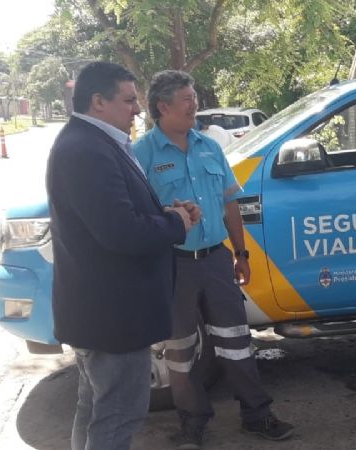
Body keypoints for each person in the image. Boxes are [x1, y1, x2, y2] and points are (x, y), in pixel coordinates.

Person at [134, 70, 294, 449]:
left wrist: (240, 253)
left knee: (236, 340)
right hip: (173, 265)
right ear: (163, 106)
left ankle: (256, 415)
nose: (195, 105)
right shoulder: (142, 155)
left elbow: (229, 203)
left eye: (194, 97)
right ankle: (192, 421)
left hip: (216, 261)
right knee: (181, 349)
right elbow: (135, 215)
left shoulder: (209, 146)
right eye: (187, 99)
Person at [46, 61, 198, 450]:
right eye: (129, 100)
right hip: (115, 317)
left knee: (96, 409)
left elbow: (112, 218)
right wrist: (176, 224)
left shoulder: (93, 142)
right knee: (118, 415)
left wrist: (164, 216)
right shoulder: (86, 149)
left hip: (103, 313)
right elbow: (120, 233)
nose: (137, 109)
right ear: (98, 101)